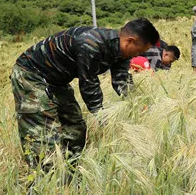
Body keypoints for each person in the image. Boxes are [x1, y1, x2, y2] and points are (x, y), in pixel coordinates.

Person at [11, 19, 160, 170]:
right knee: (44, 133)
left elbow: (122, 81)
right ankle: (44, 177)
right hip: (31, 74)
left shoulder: (122, 53)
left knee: (75, 127)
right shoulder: (90, 43)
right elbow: (89, 83)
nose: (137, 56)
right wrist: (102, 116)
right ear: (130, 41)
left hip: (57, 81)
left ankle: (71, 170)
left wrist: (137, 103)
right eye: (139, 51)